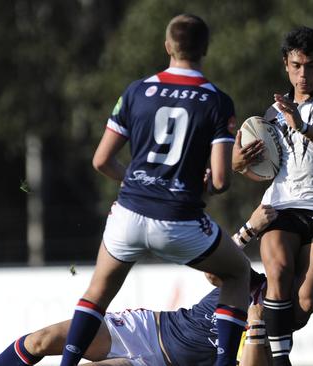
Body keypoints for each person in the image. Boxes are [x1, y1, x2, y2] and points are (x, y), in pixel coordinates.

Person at [57, 14, 250, 366]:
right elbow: (220, 182)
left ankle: (66, 364)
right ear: (205, 48)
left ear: (167, 46)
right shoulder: (216, 101)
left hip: (129, 214)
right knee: (238, 273)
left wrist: (140, 182)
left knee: (97, 295)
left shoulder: (137, 91)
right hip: (178, 221)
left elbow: (102, 161)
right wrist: (190, 185)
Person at [0, 205, 277, 366]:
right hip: (149, 329)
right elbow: (214, 274)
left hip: (161, 365)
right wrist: (249, 229)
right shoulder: (249, 278)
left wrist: (256, 325)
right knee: (42, 339)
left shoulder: (281, 313)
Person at [233, 25, 313, 366]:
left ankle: (256, 316)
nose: (304, 73)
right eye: (297, 65)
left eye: (312, 65)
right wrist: (239, 163)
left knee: (303, 304)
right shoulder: (272, 113)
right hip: (281, 207)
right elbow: (259, 168)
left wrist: (302, 125)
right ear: (286, 66)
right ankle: (280, 359)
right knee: (280, 271)